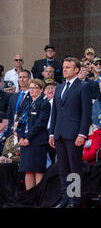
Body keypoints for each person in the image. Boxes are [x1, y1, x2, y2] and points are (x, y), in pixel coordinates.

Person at [49, 57, 92, 208]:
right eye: (64, 67)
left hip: (74, 134)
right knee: (62, 168)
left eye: (68, 67)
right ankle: (64, 198)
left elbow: (86, 113)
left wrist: (82, 134)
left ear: (76, 70)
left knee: (74, 168)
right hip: (59, 133)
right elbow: (55, 112)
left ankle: (75, 200)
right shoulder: (59, 87)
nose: (64, 69)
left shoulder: (83, 86)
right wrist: (52, 133)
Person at [17, 79, 51, 190]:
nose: (32, 90)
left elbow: (40, 124)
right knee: (28, 170)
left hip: (37, 142)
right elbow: (20, 122)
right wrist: (21, 137)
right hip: (25, 142)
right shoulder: (26, 104)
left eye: (35, 88)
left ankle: (38, 197)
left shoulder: (44, 104)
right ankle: (29, 197)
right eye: (30, 88)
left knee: (37, 170)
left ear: (41, 90)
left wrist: (28, 138)